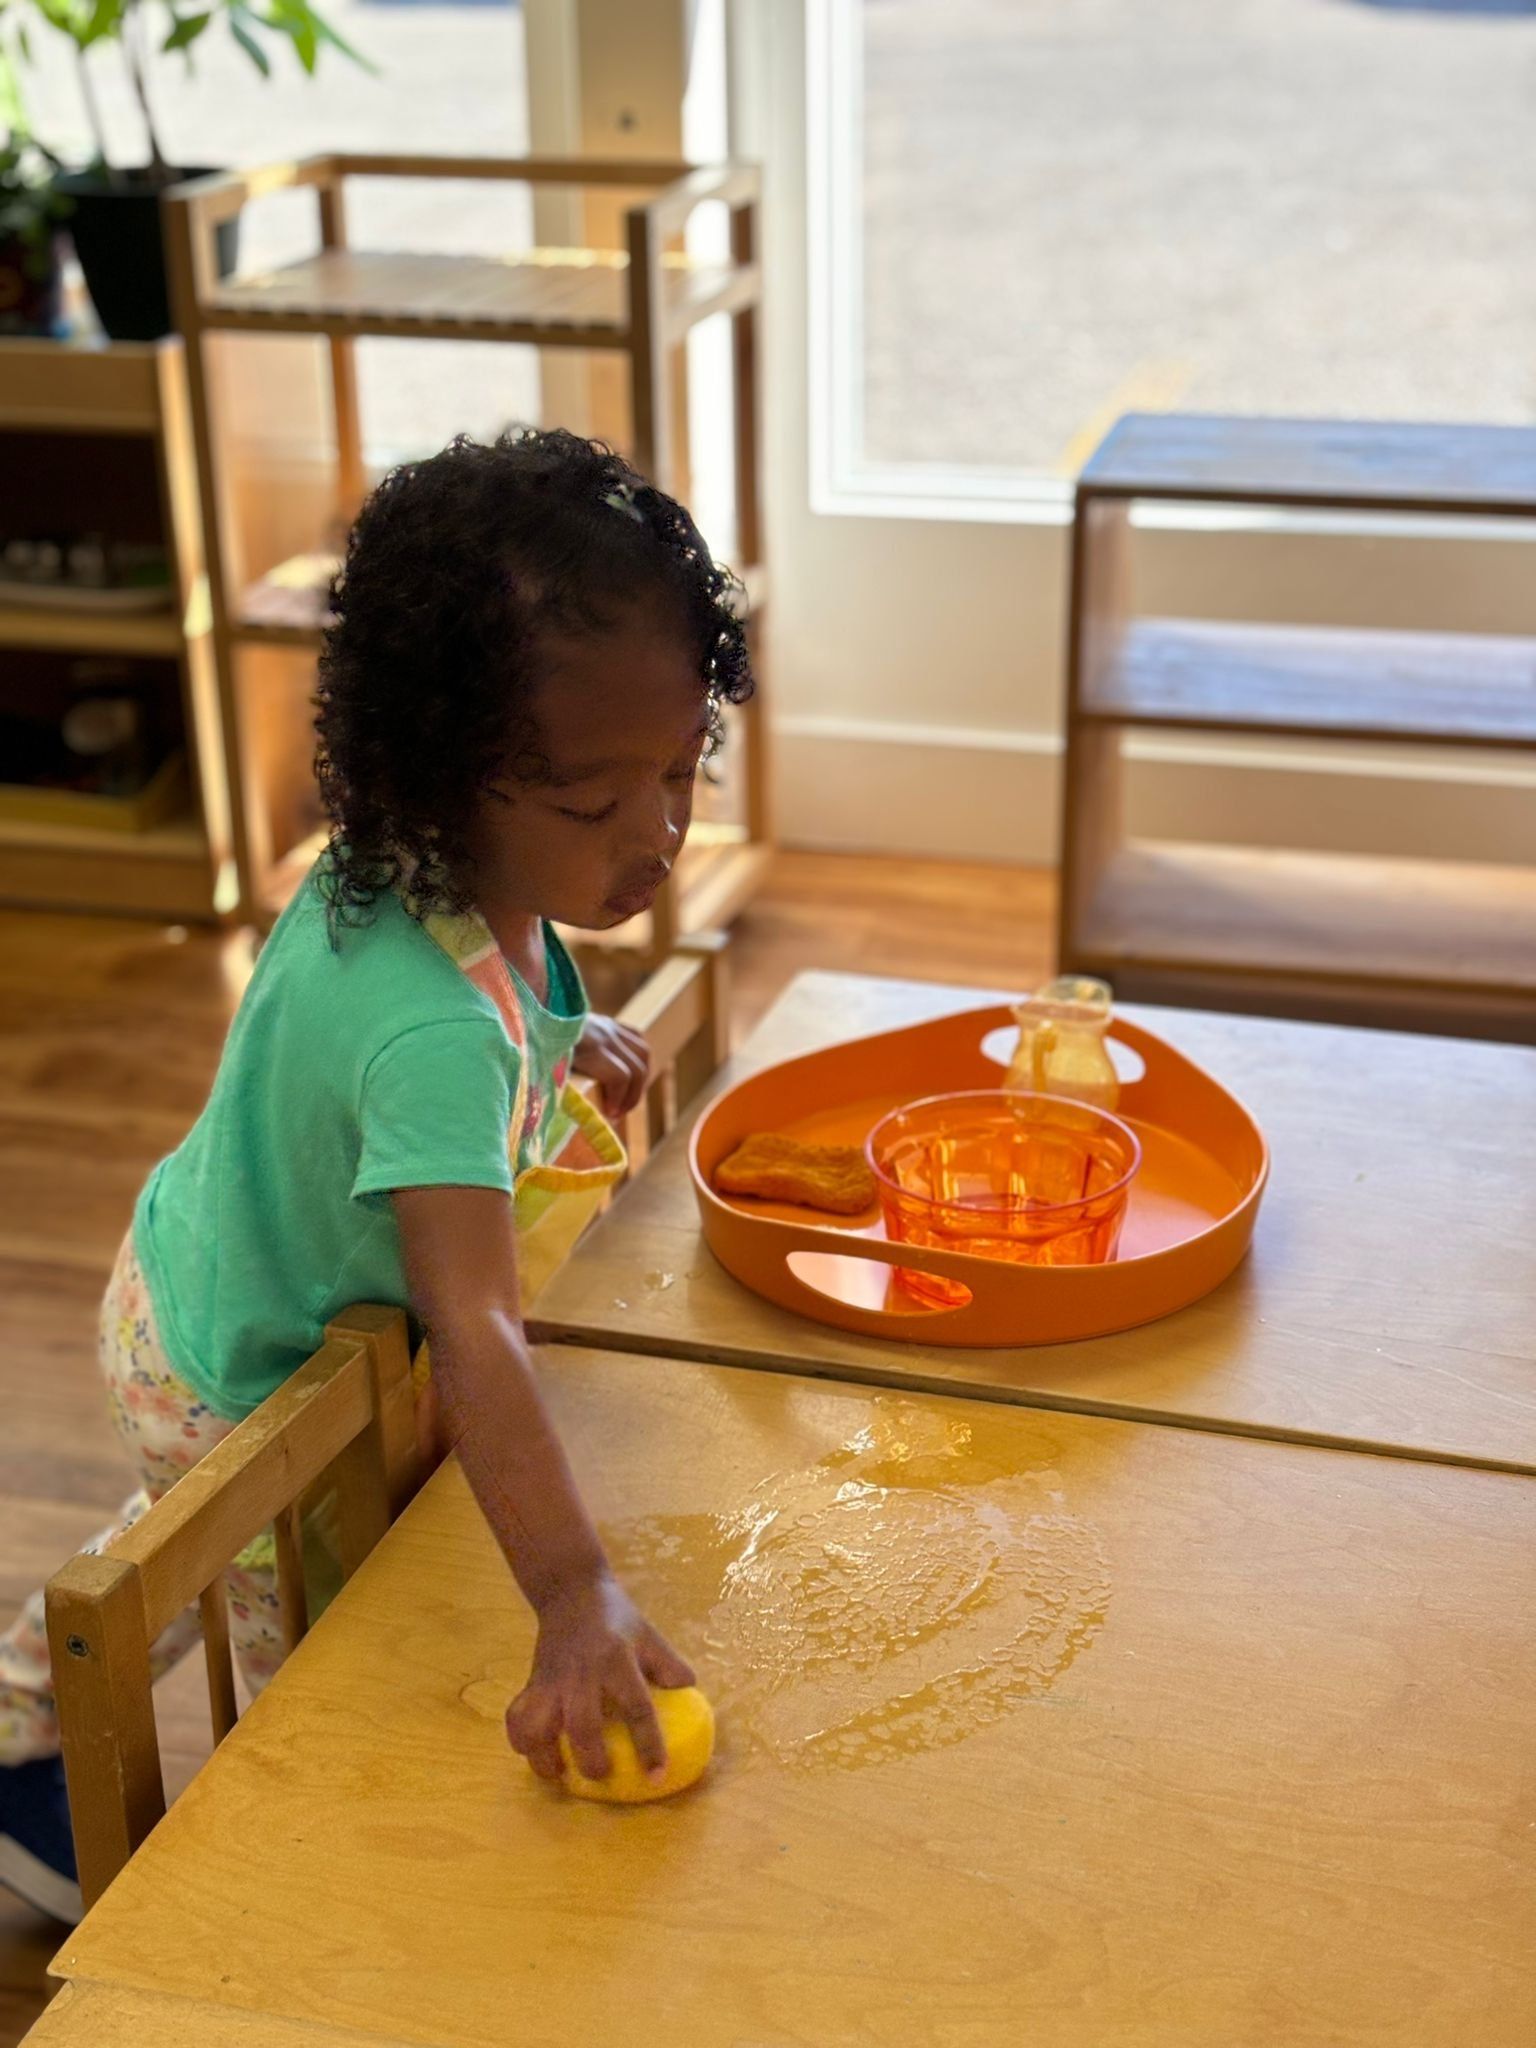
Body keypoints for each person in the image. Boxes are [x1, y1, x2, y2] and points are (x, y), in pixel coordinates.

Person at [0, 429, 753, 1922]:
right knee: (324, 1661)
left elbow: (471, 1024)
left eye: (680, 771)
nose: (657, 835)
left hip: (187, 1269)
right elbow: (471, 1322)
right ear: (447, 780)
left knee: (164, 1556)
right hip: (246, 1378)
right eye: (596, 804)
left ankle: (22, 1698)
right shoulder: (423, 1033)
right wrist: (572, 1591)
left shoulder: (421, 866)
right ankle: (317, 1901)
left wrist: (561, 1035)